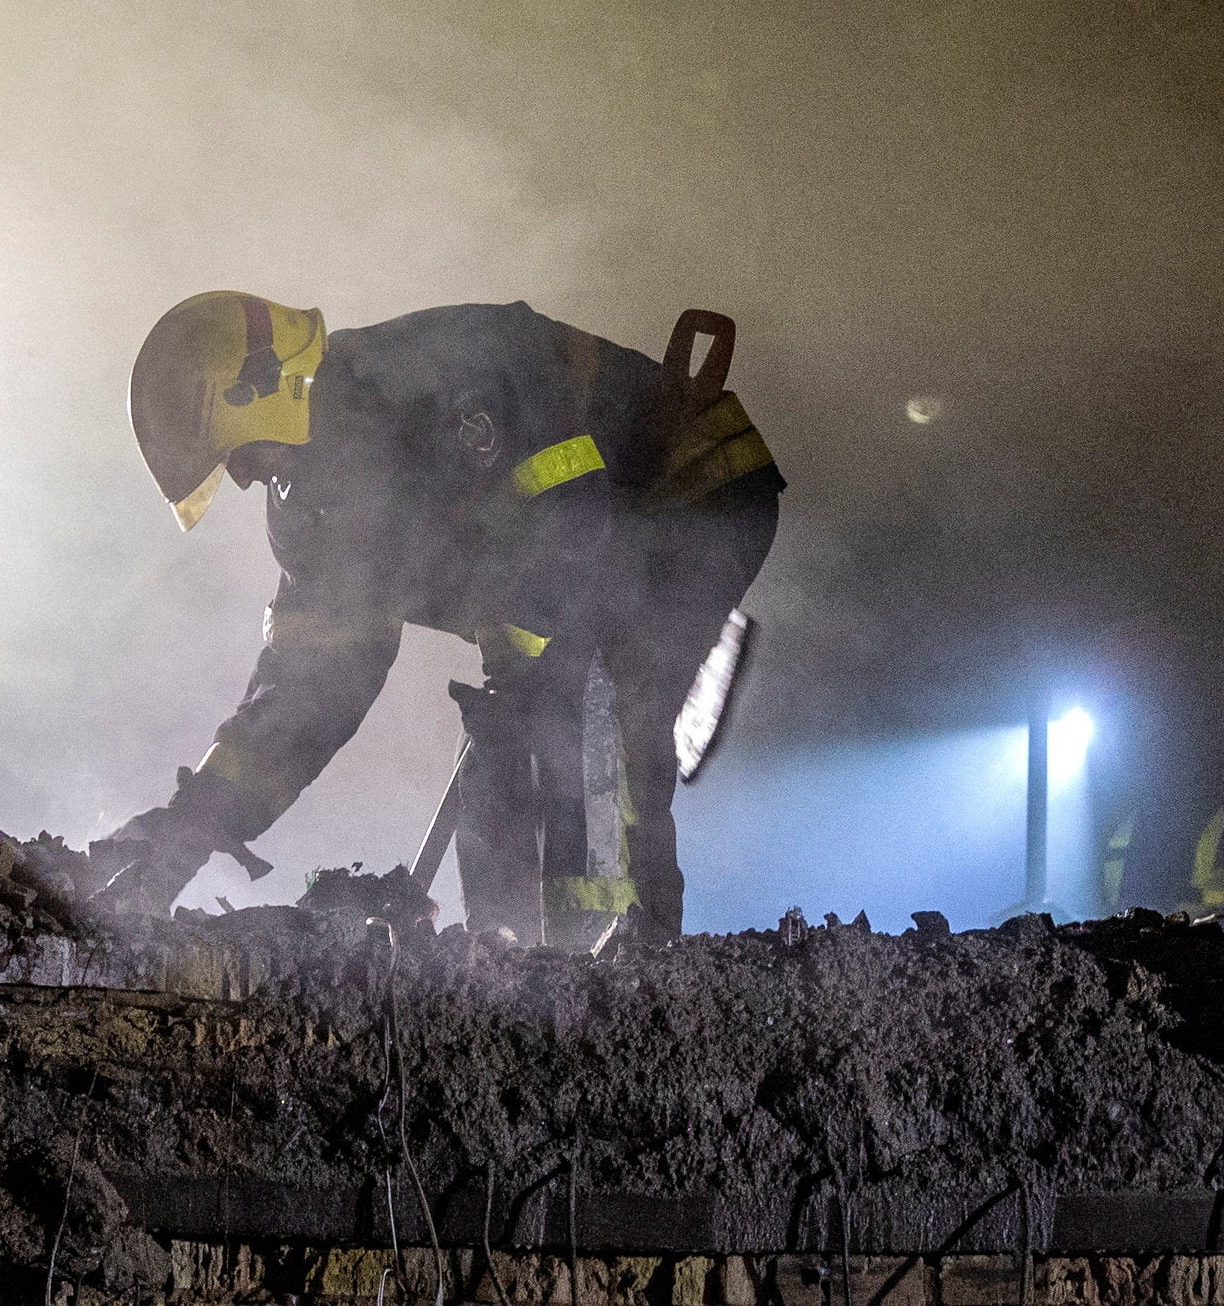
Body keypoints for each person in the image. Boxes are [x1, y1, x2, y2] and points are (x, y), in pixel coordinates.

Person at [80, 289, 781, 945]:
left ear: (264, 386)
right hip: (567, 569)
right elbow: (310, 688)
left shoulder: (440, 370)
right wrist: (198, 821)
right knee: (509, 745)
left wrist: (528, 669)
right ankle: (508, 963)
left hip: (691, 491)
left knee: (594, 714)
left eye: (237, 454)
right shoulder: (309, 509)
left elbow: (567, 510)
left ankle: (621, 971)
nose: (243, 478)